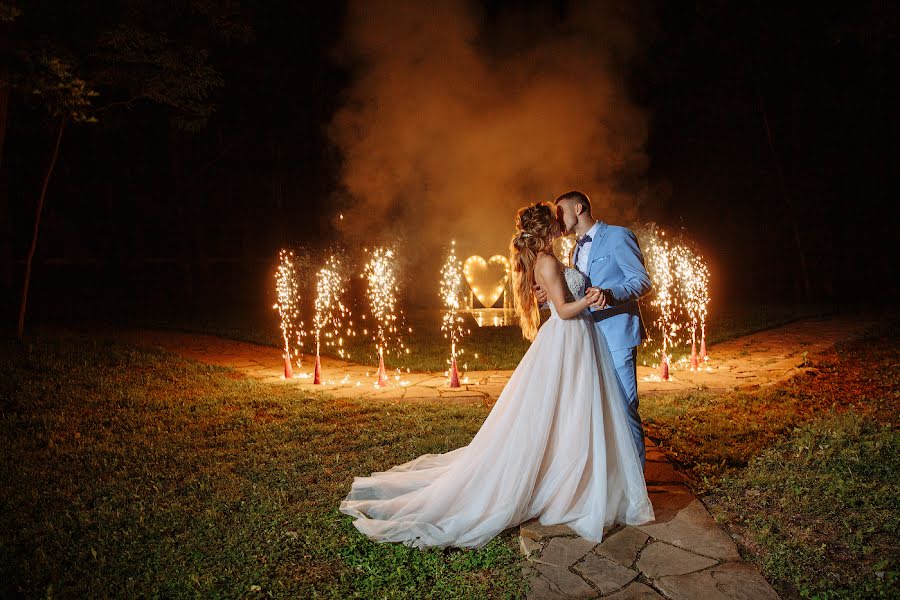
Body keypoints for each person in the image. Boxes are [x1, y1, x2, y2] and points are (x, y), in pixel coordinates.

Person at [338, 202, 653, 550]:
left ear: (577, 208)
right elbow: (565, 308)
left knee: (604, 410)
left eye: (562, 213)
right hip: (572, 337)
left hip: (591, 339)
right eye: (555, 219)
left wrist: (569, 296)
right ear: (547, 228)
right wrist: (580, 299)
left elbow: (607, 286)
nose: (561, 223)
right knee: (574, 409)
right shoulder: (551, 258)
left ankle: (616, 481)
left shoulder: (581, 248)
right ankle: (584, 483)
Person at [535, 191, 652, 466]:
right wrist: (546, 299)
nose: (557, 218)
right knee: (598, 412)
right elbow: (576, 294)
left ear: (578, 208)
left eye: (560, 211)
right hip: (587, 339)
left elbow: (642, 281)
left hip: (616, 334)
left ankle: (636, 482)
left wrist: (610, 294)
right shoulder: (574, 249)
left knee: (625, 408)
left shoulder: (618, 236)